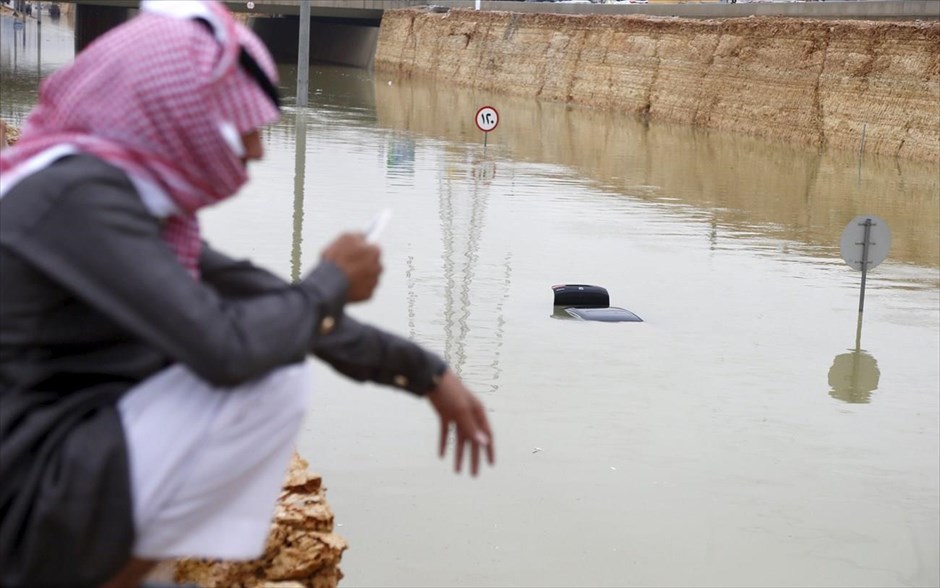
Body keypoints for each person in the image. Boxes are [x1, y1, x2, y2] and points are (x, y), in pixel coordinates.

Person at [0, 2, 495, 587]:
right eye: (245, 128)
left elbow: (262, 298)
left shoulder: (109, 196)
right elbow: (227, 349)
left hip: (49, 470)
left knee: (276, 336)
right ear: (176, 112)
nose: (257, 152)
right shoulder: (78, 199)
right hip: (26, 498)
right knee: (270, 379)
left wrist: (426, 373)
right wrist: (331, 279)